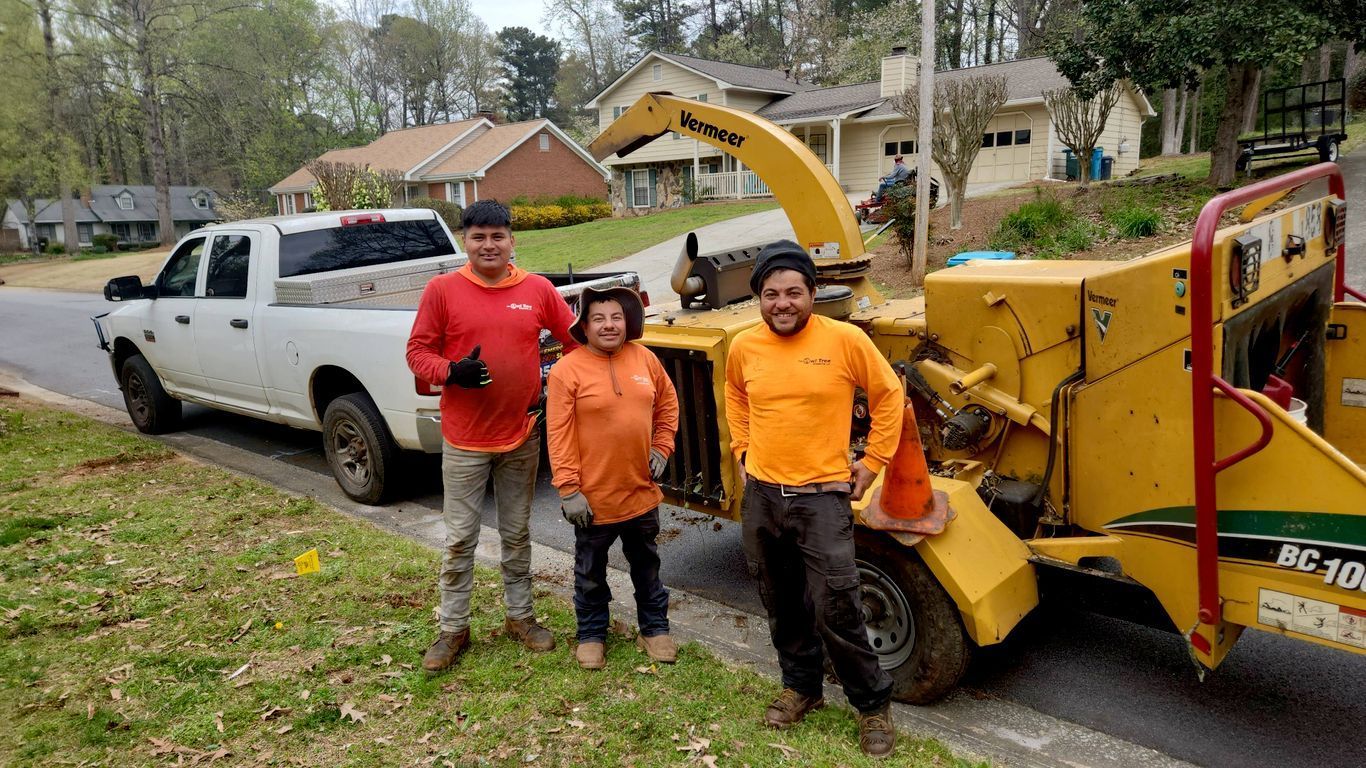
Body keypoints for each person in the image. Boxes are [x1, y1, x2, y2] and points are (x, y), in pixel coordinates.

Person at [724, 240, 904, 758]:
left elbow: (889, 395)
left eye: (795, 292)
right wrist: (742, 448)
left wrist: (872, 464)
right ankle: (801, 687)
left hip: (821, 499)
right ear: (759, 296)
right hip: (762, 496)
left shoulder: (845, 339)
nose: (783, 303)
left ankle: (872, 706)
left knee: (837, 607)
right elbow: (735, 396)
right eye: (772, 293)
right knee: (780, 601)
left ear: (811, 293)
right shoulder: (744, 346)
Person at [406, 199, 579, 672]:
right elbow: (417, 352)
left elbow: (574, 340)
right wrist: (452, 371)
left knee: (517, 532)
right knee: (460, 538)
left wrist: (563, 385)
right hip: (464, 438)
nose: (488, 244)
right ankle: (453, 629)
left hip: (521, 432)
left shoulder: (538, 289)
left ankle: (520, 617)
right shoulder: (442, 290)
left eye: (497, 236)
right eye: (478, 236)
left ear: (511, 241)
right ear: (466, 240)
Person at [546, 286, 680, 670]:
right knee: (590, 572)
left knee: (647, 567)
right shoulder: (565, 371)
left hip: (640, 492)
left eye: (616, 317)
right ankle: (591, 634)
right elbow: (559, 434)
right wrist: (569, 489)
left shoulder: (645, 359)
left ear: (628, 323)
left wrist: (662, 447)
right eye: (599, 319)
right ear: (584, 326)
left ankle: (654, 630)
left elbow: (668, 404)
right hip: (592, 500)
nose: (609, 325)